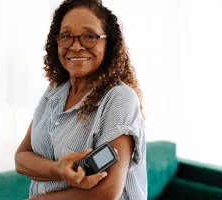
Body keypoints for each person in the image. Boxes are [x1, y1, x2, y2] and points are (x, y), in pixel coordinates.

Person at [15, 0, 147, 199]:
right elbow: (21, 158)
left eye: (89, 37)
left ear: (108, 43)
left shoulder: (119, 98)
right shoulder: (54, 91)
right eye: (67, 36)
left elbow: (108, 191)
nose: (76, 47)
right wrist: (58, 169)